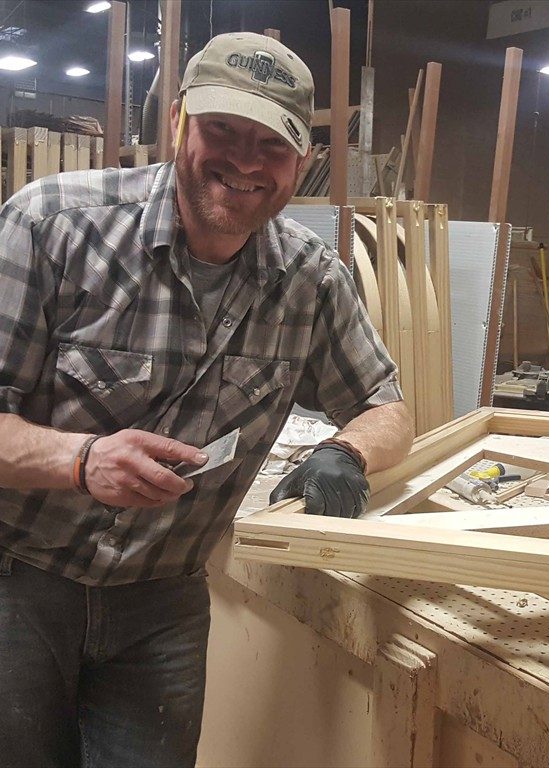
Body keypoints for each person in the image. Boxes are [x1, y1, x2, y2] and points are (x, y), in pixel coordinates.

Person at [0, 32, 413, 766]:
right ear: (179, 123)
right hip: (22, 586)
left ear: (303, 163)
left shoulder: (311, 280)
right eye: (222, 131)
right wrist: (79, 459)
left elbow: (387, 406)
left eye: (273, 146)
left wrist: (344, 451)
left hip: (164, 602)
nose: (245, 163)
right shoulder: (50, 227)